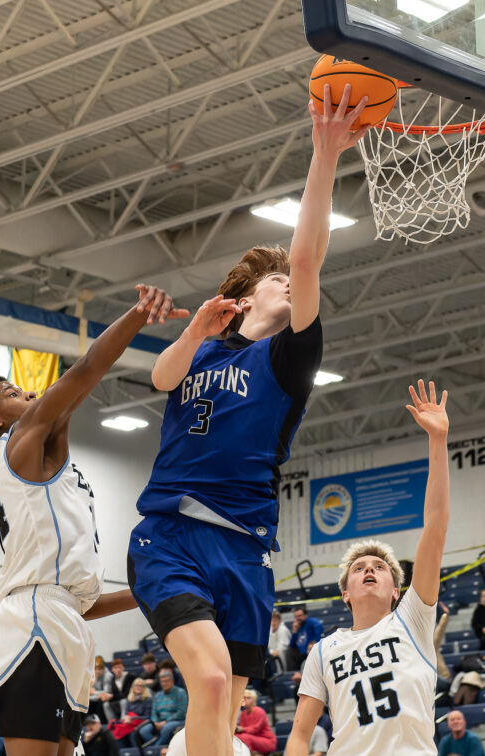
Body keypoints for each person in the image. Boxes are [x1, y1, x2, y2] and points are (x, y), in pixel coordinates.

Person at [127, 84, 370, 756]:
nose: (289, 284)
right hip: (172, 534)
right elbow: (161, 378)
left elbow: (305, 257)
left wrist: (325, 157)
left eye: (291, 281)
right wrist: (197, 328)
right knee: (206, 685)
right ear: (240, 298)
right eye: (273, 282)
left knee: (224, 711)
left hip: (245, 548)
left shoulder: (291, 356)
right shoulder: (202, 345)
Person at [0, 284, 186, 756]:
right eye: (9, 392)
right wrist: (138, 315)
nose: (23, 392)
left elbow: (80, 600)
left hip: (63, 618)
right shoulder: (16, 448)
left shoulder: (40, 462)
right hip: (34, 619)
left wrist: (153, 593)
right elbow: (85, 372)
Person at [285, 379, 451, 756]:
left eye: (380, 566)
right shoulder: (323, 651)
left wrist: (437, 440)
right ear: (345, 592)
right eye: (360, 568)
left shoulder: (413, 618)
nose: (370, 570)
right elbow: (299, 734)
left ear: (397, 590)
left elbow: (436, 528)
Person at [136, 669, 188, 747]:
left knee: (166, 728)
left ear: (172, 681)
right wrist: (156, 722)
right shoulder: (158, 695)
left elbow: (182, 712)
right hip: (159, 722)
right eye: (162, 681)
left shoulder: (180, 692)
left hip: (177, 720)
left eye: (166, 681)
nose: (164, 684)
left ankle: (155, 749)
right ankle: (157, 747)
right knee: (144, 730)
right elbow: (154, 712)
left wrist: (165, 722)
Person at [109, 677, 151, 746]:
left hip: (141, 723)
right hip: (129, 722)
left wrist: (133, 718)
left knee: (132, 733)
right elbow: (126, 713)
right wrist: (126, 718)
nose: (138, 687)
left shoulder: (147, 700)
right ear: (133, 687)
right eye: (136, 685)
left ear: (144, 688)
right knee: (117, 731)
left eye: (141, 686)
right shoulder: (129, 700)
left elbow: (147, 716)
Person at [235, 689, 276, 755]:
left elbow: (255, 729)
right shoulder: (243, 714)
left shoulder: (259, 711)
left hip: (266, 740)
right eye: (244, 698)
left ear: (254, 700)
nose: (245, 700)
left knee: (243, 737)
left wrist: (242, 729)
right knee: (237, 737)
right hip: (251, 739)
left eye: (248, 698)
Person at [287, 606, 325, 671]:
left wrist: (309, 648)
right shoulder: (297, 625)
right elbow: (292, 645)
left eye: (300, 616)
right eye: (296, 616)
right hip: (300, 653)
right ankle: (291, 674)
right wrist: (294, 631)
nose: (298, 618)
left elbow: (317, 640)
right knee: (289, 651)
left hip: (309, 651)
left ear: (305, 615)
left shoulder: (313, 623)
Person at [89, 657, 115, 723]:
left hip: (110, 697)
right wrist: (94, 694)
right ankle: (88, 722)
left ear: (103, 669)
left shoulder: (108, 676)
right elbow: (89, 691)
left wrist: (94, 692)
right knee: (86, 700)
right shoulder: (92, 675)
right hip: (98, 696)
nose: (97, 671)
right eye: (95, 669)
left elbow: (107, 692)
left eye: (100, 669)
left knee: (101, 700)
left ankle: (101, 723)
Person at [268, 610, 291, 675]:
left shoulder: (283, 630)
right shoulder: (270, 629)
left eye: (275, 620)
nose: (273, 623)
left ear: (279, 621)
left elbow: (282, 647)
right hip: (272, 652)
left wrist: (272, 653)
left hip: (284, 653)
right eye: (272, 620)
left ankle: (282, 673)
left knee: (280, 654)